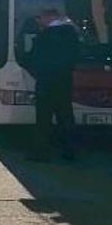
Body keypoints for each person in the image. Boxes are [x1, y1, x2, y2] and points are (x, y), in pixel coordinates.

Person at [24, 9, 80, 161]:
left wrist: (33, 68)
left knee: (43, 118)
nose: (39, 21)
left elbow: (33, 58)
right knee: (65, 116)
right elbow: (76, 56)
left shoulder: (44, 36)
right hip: (64, 81)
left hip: (46, 81)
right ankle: (69, 151)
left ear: (49, 17)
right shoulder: (71, 34)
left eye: (40, 18)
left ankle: (40, 152)